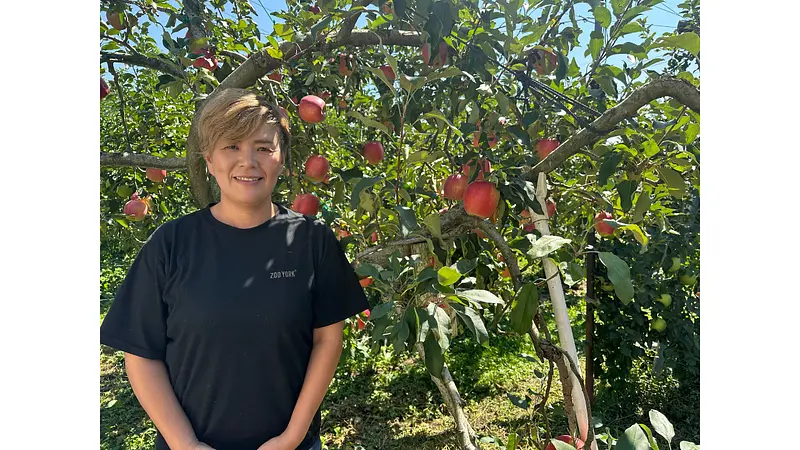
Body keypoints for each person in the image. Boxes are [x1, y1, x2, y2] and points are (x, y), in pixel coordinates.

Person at [100, 88, 370, 450]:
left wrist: (290, 439)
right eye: (232, 146)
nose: (248, 161)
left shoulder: (312, 241)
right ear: (209, 159)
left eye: (263, 148)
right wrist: (187, 445)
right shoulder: (171, 245)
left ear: (282, 159)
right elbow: (141, 354)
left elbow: (327, 341)